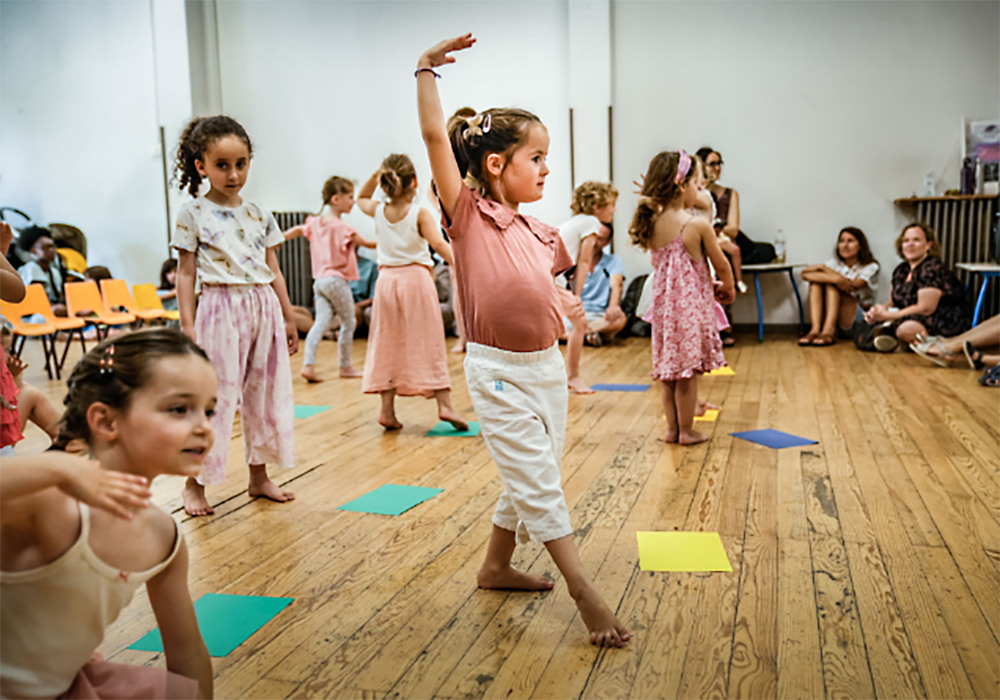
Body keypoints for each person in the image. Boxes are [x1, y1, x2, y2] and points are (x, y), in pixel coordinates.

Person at [418, 33, 630, 647]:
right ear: (495, 165)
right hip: (498, 371)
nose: (545, 168)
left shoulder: (543, 232)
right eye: (536, 157)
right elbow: (437, 139)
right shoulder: (467, 217)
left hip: (544, 369)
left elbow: (548, 284)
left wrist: (564, 303)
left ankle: (494, 566)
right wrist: (425, 71)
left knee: (532, 472)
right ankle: (585, 591)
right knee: (538, 479)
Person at [0, 329, 214, 700]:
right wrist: (61, 469)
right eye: (180, 409)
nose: (204, 426)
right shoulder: (52, 503)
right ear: (105, 421)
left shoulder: (164, 537)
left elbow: (189, 654)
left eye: (209, 410)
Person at [172, 115, 298, 517]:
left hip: (262, 305)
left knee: (263, 394)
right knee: (216, 400)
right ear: (201, 166)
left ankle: (258, 476)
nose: (233, 174)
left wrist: (289, 314)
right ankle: (194, 483)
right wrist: (188, 324)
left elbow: (273, 269)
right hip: (219, 308)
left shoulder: (260, 213)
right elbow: (186, 272)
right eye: (222, 165)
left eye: (241, 163)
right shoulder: (192, 212)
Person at [630, 150, 735, 446]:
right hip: (688, 310)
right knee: (687, 375)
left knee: (669, 374)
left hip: (664, 311)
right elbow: (722, 263)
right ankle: (687, 431)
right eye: (696, 183)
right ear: (681, 186)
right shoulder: (696, 225)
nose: (699, 190)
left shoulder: (651, 222)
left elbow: (673, 266)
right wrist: (726, 286)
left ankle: (672, 430)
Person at [356, 155, 467, 432]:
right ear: (414, 182)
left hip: (386, 282)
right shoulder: (420, 213)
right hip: (416, 280)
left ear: (385, 181)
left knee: (387, 342)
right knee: (429, 339)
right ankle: (444, 405)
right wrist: (466, 265)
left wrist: (377, 171)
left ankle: (387, 410)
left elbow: (361, 198)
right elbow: (440, 246)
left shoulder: (379, 210)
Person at [284, 176, 375, 382]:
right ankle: (345, 366)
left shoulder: (315, 223)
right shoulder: (343, 228)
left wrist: (281, 238)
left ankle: (308, 365)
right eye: (350, 197)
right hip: (336, 281)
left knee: (320, 322)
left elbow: (298, 230)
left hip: (320, 282)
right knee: (349, 321)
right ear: (336, 199)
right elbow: (369, 244)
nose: (353, 201)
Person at [864, 222, 970, 350]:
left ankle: (912, 342)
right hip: (909, 316)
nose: (910, 244)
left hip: (941, 319)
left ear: (928, 245)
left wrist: (887, 316)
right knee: (873, 324)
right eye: (906, 241)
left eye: (916, 240)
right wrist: (879, 310)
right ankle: (902, 341)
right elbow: (892, 300)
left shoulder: (932, 267)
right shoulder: (901, 270)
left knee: (905, 329)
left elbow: (925, 308)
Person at [556, 181, 618, 392]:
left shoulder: (576, 222)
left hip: (550, 278)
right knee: (580, 323)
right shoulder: (592, 223)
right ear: (597, 206)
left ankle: (567, 376)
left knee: (571, 324)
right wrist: (577, 295)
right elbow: (583, 261)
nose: (614, 209)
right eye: (611, 204)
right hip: (551, 280)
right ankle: (572, 376)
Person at [799, 227, 879, 346]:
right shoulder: (834, 264)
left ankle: (828, 331)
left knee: (832, 285)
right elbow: (805, 274)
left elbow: (852, 286)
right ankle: (815, 330)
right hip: (833, 317)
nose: (845, 245)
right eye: (842, 241)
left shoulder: (870, 266)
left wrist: (833, 278)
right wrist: (828, 271)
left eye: (850, 241)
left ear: (860, 246)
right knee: (816, 284)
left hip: (857, 321)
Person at [695, 147, 748, 297]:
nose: (717, 168)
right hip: (703, 240)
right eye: (712, 164)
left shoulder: (730, 193)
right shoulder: (697, 195)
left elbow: (733, 229)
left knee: (732, 251)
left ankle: (736, 282)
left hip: (721, 237)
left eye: (719, 163)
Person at [577, 224, 627, 345]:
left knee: (620, 319)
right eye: (593, 237)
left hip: (599, 317)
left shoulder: (614, 261)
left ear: (607, 243)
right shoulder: (572, 261)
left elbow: (617, 285)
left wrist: (613, 306)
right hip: (575, 315)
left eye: (600, 239)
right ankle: (586, 337)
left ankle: (579, 335)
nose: (594, 243)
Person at [17, 225, 70, 316]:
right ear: (34, 251)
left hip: (50, 308)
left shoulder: (54, 271)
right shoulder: (31, 269)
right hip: (32, 313)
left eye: (53, 246)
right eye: (46, 247)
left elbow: (59, 297)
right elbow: (35, 300)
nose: (52, 250)